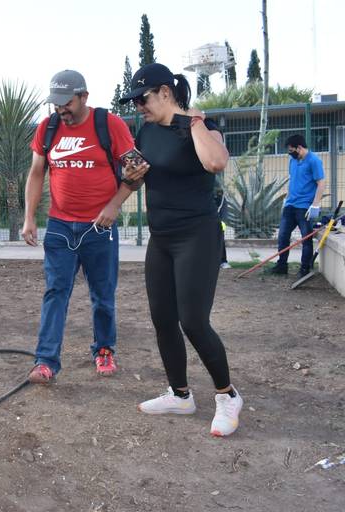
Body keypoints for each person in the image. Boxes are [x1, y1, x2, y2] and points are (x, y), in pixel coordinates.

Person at [119, 62, 242, 437]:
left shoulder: (202, 126)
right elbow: (136, 172)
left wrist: (194, 123)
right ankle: (180, 393)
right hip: (162, 238)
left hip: (197, 236)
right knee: (162, 318)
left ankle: (227, 395)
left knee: (193, 320)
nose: (138, 105)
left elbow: (216, 162)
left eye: (143, 98)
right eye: (134, 100)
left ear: (165, 92)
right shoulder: (147, 130)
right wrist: (128, 177)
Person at [22, 70, 140, 383]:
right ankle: (45, 362)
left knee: (103, 294)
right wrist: (29, 217)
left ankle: (104, 349)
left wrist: (113, 206)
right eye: (56, 103)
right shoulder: (47, 129)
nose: (61, 109)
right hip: (60, 226)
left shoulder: (109, 125)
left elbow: (137, 170)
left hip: (99, 229)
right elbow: (36, 173)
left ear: (84, 96)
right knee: (55, 292)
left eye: (67, 102)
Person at [267, 134, 325, 279]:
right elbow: (294, 180)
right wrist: (287, 200)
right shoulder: (292, 161)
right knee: (283, 236)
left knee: (306, 238)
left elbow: (321, 183)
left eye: (291, 150)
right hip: (290, 205)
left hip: (304, 207)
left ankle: (305, 268)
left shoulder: (314, 161)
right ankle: (282, 266)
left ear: (299, 148)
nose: (289, 152)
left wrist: (315, 205)